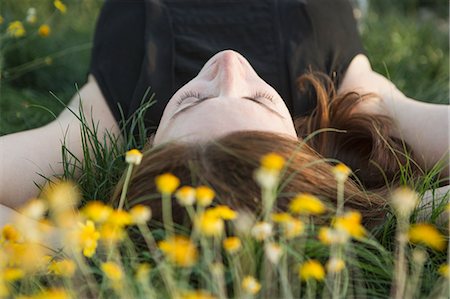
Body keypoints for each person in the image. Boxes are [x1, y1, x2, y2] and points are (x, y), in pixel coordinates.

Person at [0, 0, 448, 226]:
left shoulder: (110, 118)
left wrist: (69, 247)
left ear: (150, 143)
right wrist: (376, 217)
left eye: (191, 99)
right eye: (260, 101)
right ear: (307, 147)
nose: (229, 64)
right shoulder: (350, 100)